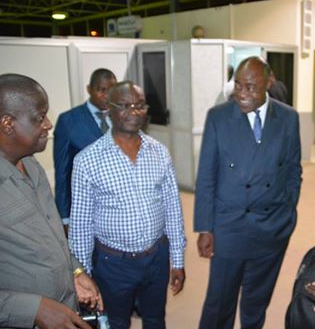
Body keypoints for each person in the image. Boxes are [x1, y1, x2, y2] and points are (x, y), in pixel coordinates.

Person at [194, 56, 302, 329]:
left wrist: (288, 209)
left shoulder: (288, 117)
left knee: (257, 300)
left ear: (269, 82)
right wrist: (205, 227)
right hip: (229, 225)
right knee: (219, 301)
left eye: (251, 87)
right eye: (238, 85)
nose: (241, 93)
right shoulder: (218, 116)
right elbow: (207, 176)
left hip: (272, 225)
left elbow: (293, 169)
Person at [68, 81, 186, 329]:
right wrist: (84, 274)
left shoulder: (160, 152)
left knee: (155, 320)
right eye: (124, 105)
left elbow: (173, 209)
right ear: (108, 110)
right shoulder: (87, 161)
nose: (134, 111)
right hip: (113, 265)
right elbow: (80, 226)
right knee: (117, 322)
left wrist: (177, 260)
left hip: (156, 258)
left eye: (139, 105)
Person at [0, 73, 103, 329]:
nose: (48, 124)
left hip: (65, 305)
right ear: (7, 123)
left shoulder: (32, 166)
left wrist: (75, 271)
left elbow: (51, 235)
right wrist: (34, 309)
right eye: (39, 117)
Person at [53, 68, 117, 227]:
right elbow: (62, 172)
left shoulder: (121, 116)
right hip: (87, 203)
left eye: (111, 91)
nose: (107, 95)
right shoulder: (68, 120)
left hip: (119, 203)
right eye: (101, 90)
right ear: (89, 89)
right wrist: (64, 216)